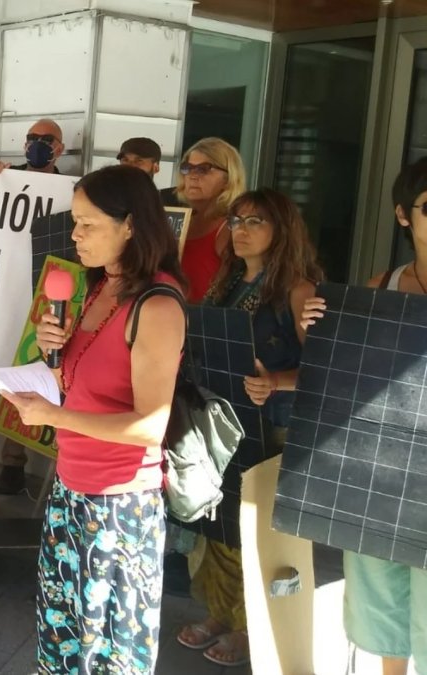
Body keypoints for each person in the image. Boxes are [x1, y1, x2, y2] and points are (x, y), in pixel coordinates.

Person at [0, 164, 186, 674]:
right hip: (70, 487)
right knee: (62, 640)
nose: (75, 235)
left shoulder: (157, 306)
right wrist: (51, 355)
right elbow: (82, 386)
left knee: (107, 649)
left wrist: (54, 414)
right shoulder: (98, 287)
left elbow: (150, 426)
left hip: (118, 505)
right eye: (75, 222)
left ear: (130, 225)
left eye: (88, 224)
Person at [175, 188, 321, 668]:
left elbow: (326, 370)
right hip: (223, 419)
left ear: (281, 229)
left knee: (253, 527)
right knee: (219, 521)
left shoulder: (299, 290)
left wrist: (277, 381)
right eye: (236, 221)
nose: (241, 230)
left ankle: (248, 625)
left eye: (255, 221)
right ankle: (220, 612)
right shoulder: (228, 281)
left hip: (272, 427)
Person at [301, 157, 427, 675]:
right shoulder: (380, 287)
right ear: (403, 215)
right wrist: (320, 330)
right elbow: (343, 375)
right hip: (382, 471)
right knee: (380, 601)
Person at [0, 118, 73, 491]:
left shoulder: (71, 190)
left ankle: (13, 463)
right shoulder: (5, 178)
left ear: (59, 148)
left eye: (46, 139)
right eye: (32, 138)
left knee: (25, 375)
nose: (37, 144)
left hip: (39, 294)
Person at [174, 137, 247, 303]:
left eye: (204, 169)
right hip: (164, 313)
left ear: (228, 178)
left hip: (202, 317)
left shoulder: (230, 227)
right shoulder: (178, 219)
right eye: (187, 168)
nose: (192, 175)